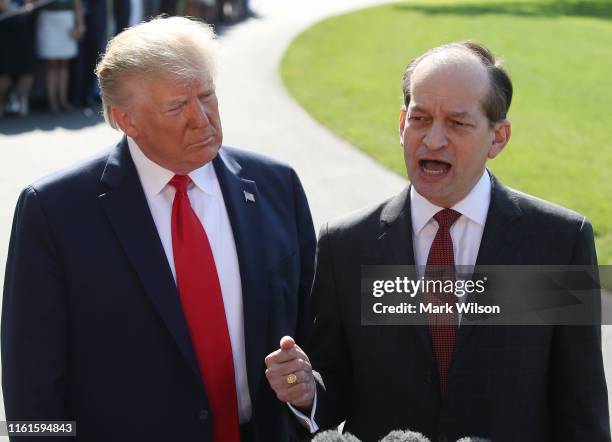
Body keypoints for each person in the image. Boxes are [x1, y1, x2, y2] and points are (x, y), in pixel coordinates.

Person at [264, 41, 610, 441]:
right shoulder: (346, 245)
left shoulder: (558, 243)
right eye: (420, 119)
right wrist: (307, 392)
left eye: (458, 124)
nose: (432, 140)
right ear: (400, 124)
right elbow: (335, 383)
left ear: (498, 137)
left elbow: (581, 411)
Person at [2, 16, 316, 442]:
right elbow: (30, 381)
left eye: (207, 96)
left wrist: (307, 392)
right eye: (177, 107)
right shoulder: (54, 212)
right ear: (125, 120)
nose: (202, 119)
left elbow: (317, 339)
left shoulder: (277, 187)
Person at [36, 0, 84, 112]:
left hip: (66, 21)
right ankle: (52, 100)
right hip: (49, 21)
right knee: (51, 64)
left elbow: (78, 6)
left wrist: (80, 25)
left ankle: (62, 99)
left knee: (64, 63)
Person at [0, 0, 36, 116]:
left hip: (22, 34)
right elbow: (3, 6)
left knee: (26, 71)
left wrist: (28, 7)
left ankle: (22, 100)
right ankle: (2, 102)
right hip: (4, 35)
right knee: (4, 74)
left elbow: (29, 5)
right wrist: (19, 11)